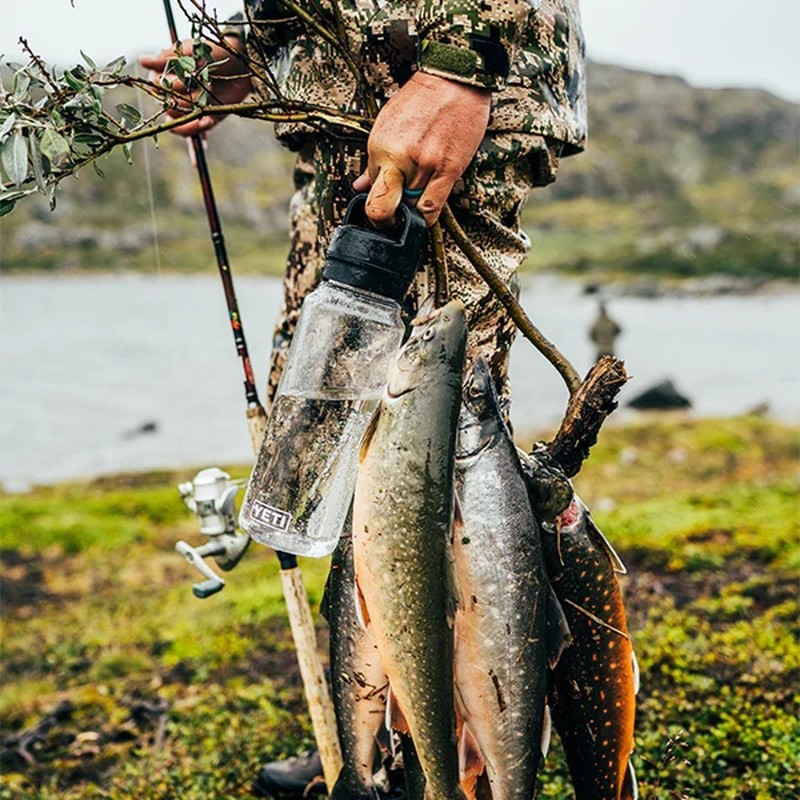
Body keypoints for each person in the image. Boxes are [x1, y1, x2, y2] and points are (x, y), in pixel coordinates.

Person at [142, 1, 586, 796]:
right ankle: (375, 734)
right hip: (337, 119)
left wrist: (461, 62)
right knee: (330, 449)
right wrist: (250, 42)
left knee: (450, 469)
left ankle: (473, 758)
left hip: (437, 84)